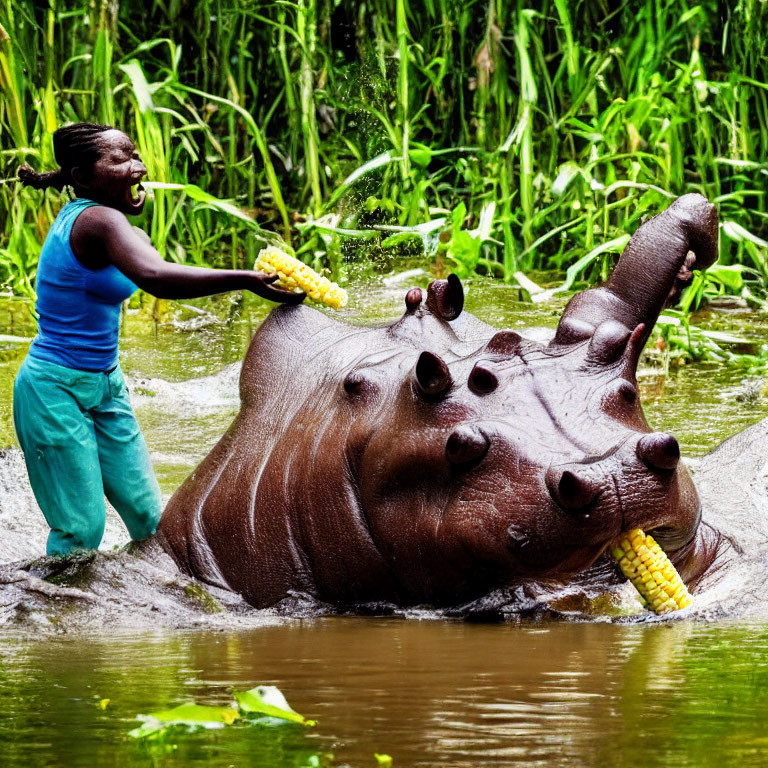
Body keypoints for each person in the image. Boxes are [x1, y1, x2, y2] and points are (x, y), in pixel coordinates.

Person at [14, 121, 303, 557]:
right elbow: (157, 278)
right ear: (82, 178)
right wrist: (246, 278)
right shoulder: (95, 222)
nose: (139, 167)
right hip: (53, 390)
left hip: (106, 386)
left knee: (151, 521)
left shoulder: (117, 228)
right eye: (122, 160)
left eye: (136, 156)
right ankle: (57, 612)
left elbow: (150, 261)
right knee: (80, 534)